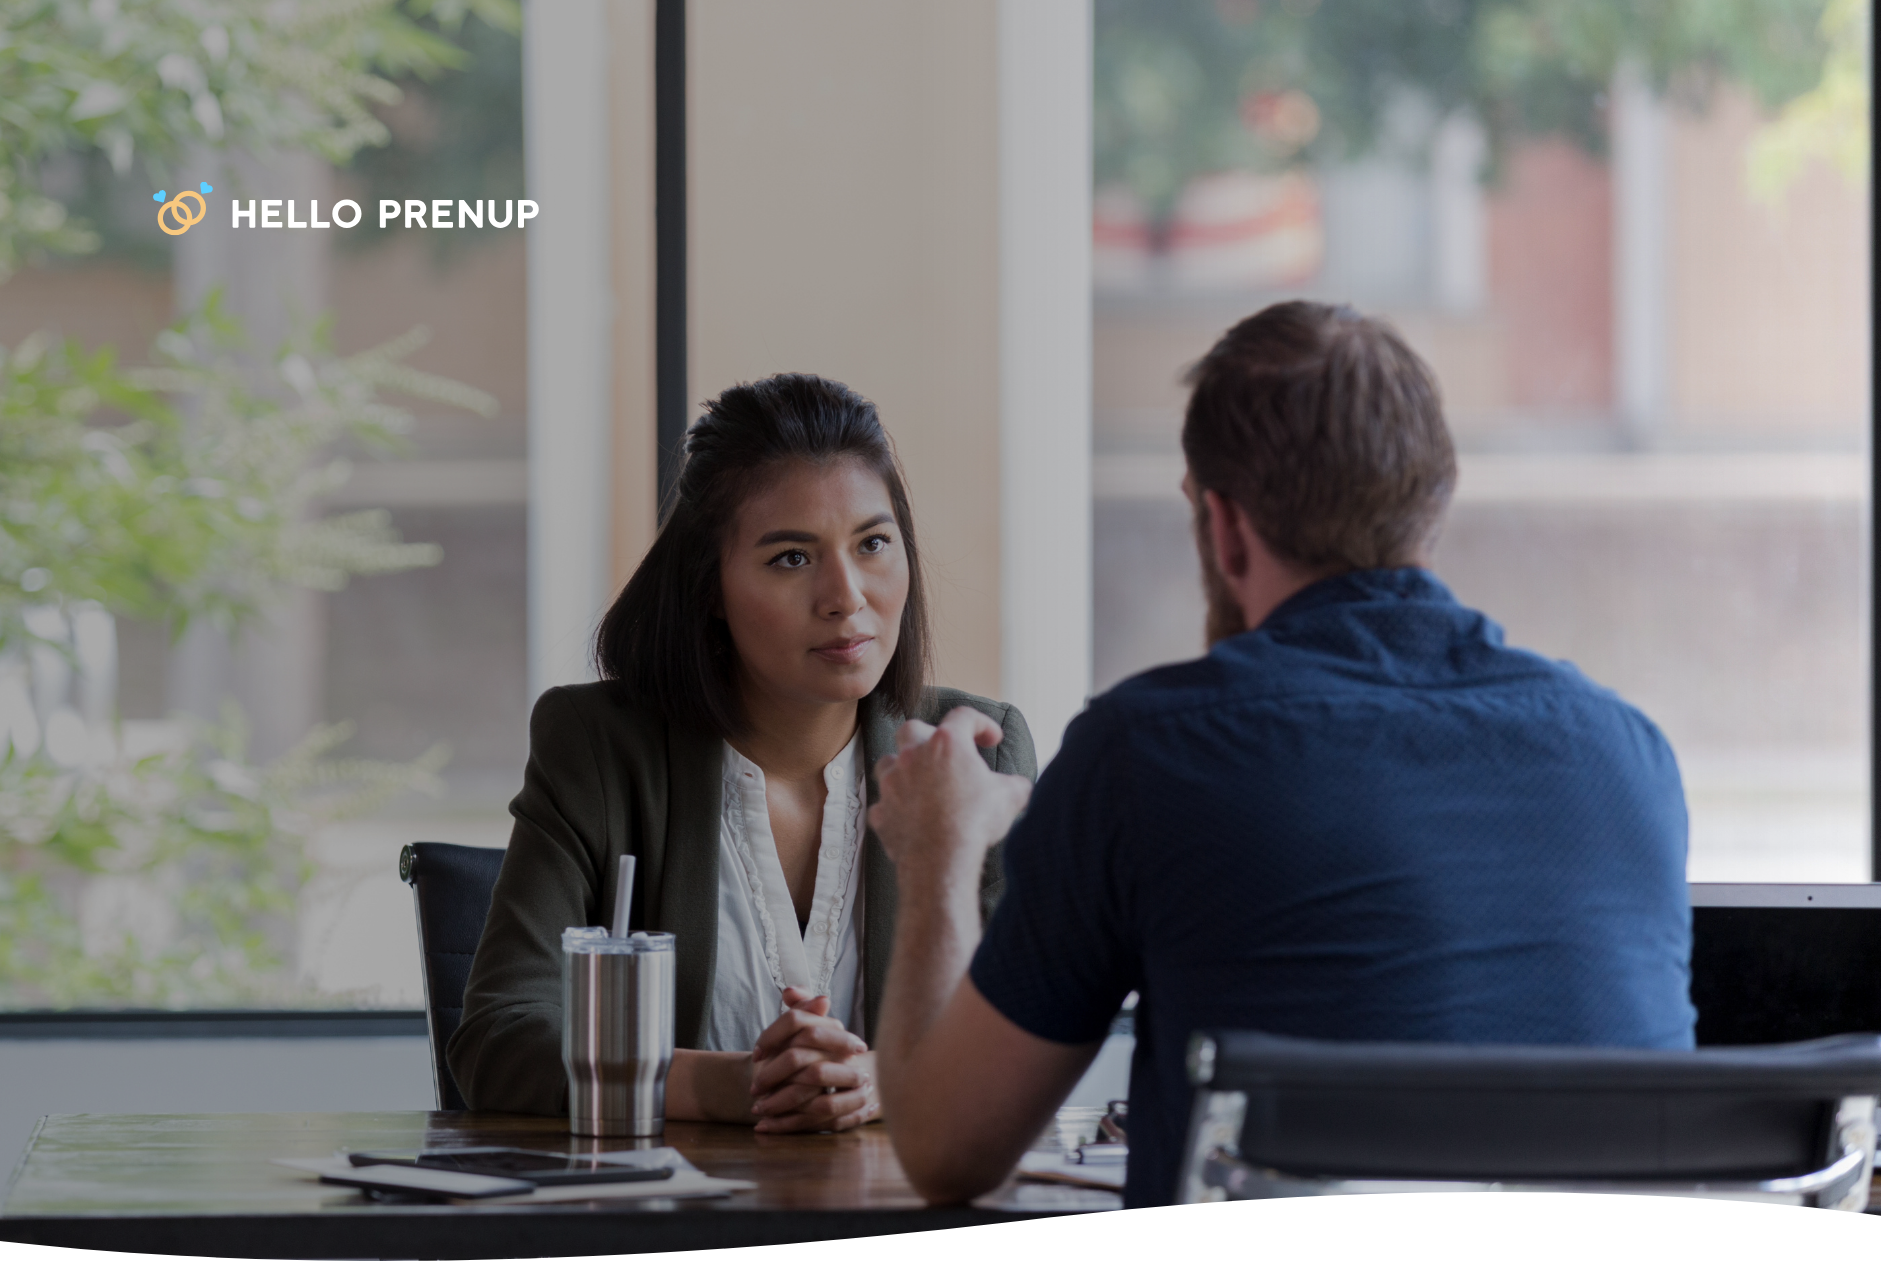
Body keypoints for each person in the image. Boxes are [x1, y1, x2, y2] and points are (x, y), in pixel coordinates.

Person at [867, 301, 1696, 1205]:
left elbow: (946, 1152)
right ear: (1432, 507)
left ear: (1224, 527)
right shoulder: (1629, 760)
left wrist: (940, 848)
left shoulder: (1147, 757)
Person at [450, 372, 1035, 1133]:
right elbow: (499, 1037)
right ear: (709, 587)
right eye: (792, 558)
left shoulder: (974, 750)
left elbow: (1032, 1031)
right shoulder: (596, 746)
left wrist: (887, 1080)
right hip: (667, 1228)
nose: (846, 595)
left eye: (873, 544)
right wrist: (731, 1086)